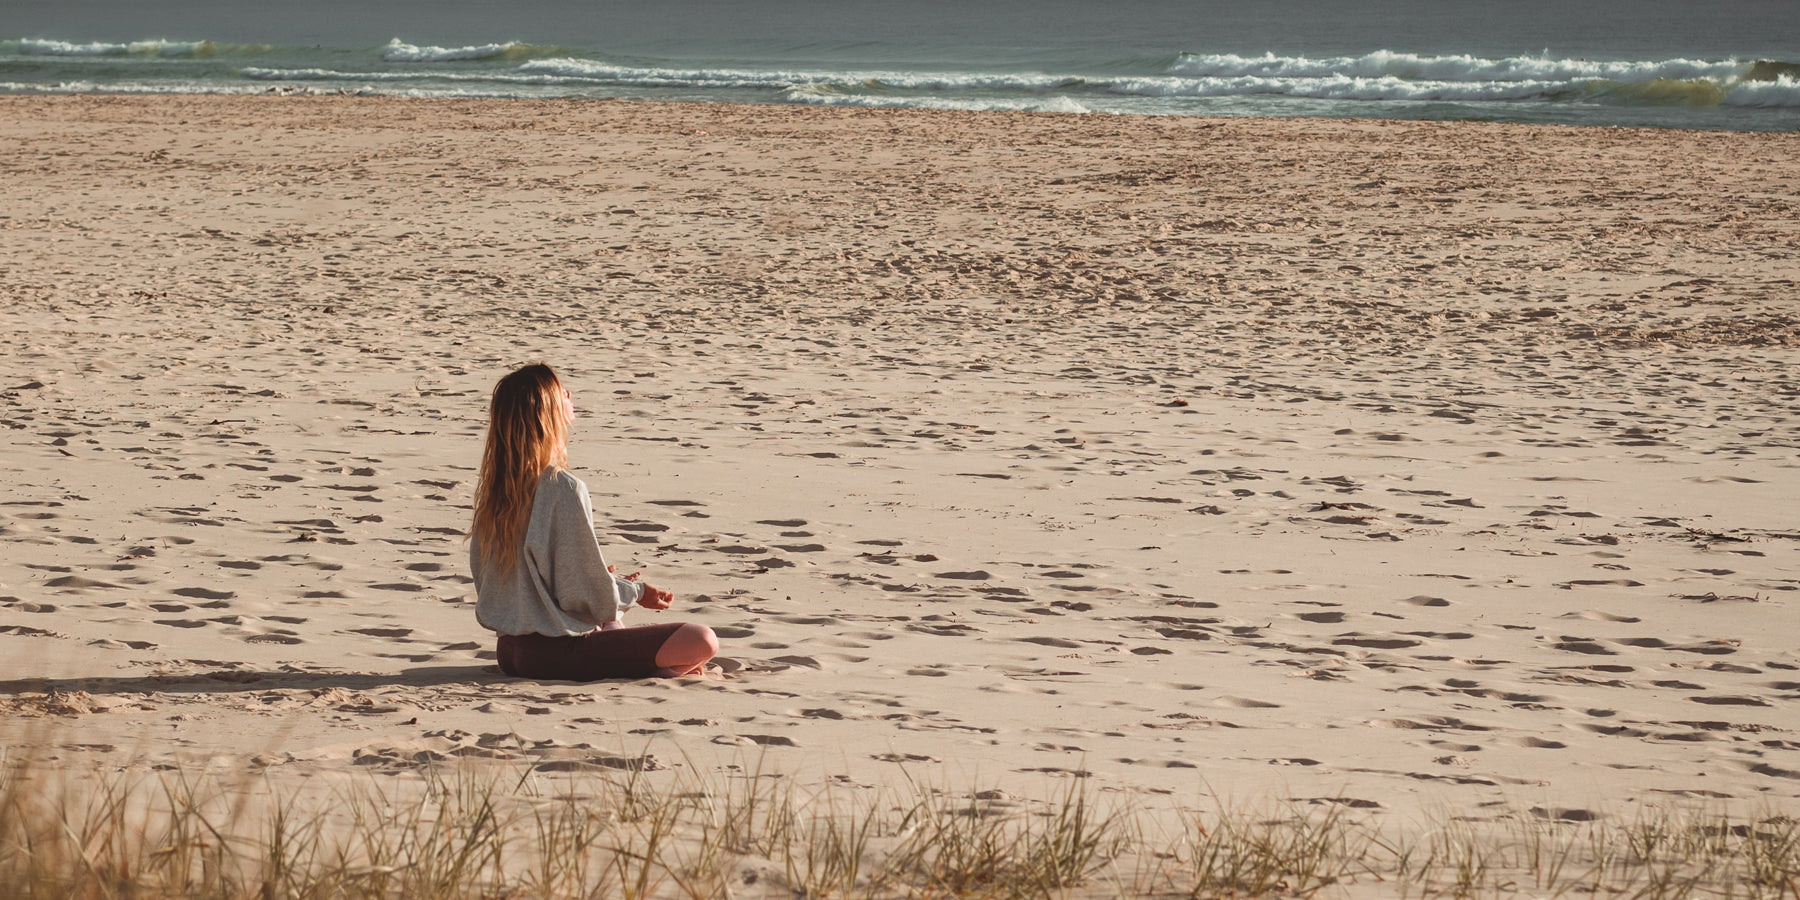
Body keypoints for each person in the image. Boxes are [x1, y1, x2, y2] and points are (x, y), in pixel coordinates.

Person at [469, 363, 718, 679]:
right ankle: (659, 671)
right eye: (562, 392)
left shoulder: (495, 494)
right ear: (547, 412)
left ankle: (655, 668)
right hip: (558, 652)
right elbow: (589, 599)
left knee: (614, 623)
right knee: (701, 640)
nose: (569, 395)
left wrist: (606, 580)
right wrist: (636, 591)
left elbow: (500, 585)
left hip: (510, 651)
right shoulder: (563, 488)